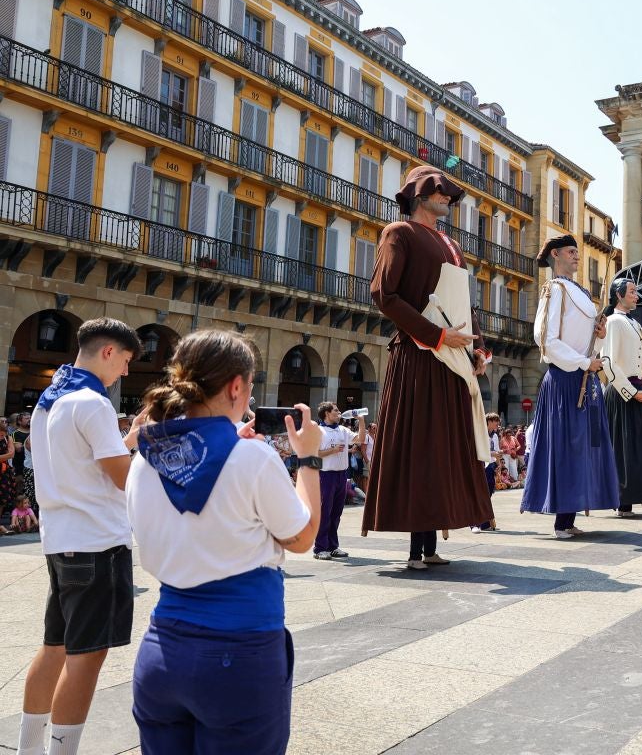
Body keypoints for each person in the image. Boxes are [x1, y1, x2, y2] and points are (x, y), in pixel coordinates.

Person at [127, 329, 322, 753]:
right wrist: (307, 458)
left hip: (162, 651)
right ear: (236, 385)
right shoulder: (252, 458)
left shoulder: (144, 458)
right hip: (239, 652)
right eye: (250, 387)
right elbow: (303, 536)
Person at [19, 318, 142, 755]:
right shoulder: (93, 403)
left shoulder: (50, 400)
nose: (125, 371)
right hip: (97, 541)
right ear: (109, 351)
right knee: (86, 657)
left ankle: (29, 748)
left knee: (55, 645)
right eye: (126, 360)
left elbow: (79, 463)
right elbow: (121, 478)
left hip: (61, 537)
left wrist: (129, 437)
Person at [363, 166, 494, 569]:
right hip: (419, 356)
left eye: (450, 194)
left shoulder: (452, 245)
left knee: (444, 451)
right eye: (441, 192)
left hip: (453, 360)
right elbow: (383, 294)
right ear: (419, 194)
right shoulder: (397, 233)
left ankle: (432, 545)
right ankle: (415, 549)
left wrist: (478, 350)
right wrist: (437, 337)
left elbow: (463, 305)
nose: (449, 199)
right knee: (421, 449)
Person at [522, 234, 620, 536]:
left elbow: (582, 337)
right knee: (566, 448)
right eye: (571, 251)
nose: (577, 256)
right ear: (555, 255)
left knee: (583, 448)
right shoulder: (553, 289)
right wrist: (581, 362)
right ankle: (561, 521)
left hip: (584, 377)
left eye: (578, 251)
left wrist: (599, 333)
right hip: (565, 379)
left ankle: (569, 517)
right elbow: (545, 340)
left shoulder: (580, 292)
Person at [600, 278, 642, 516]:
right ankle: (622, 501)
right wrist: (632, 393)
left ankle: (632, 498)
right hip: (621, 393)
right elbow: (608, 362)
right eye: (631, 292)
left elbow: (639, 364)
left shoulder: (634, 323)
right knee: (623, 450)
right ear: (618, 295)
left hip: (637, 388)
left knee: (637, 450)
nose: (636, 296)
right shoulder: (613, 322)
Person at [313, 402, 366, 560]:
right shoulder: (318, 431)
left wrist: (361, 421)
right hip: (326, 475)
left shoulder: (343, 430)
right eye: (336, 411)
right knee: (325, 511)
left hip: (341, 474)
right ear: (327, 414)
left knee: (336, 512)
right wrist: (333, 450)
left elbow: (360, 439)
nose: (339, 412)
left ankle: (333, 546)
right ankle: (320, 548)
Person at [471, 413, 502, 533]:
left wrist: (499, 464)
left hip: (490, 466)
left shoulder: (494, 435)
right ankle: (474, 523)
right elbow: (477, 450)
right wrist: (492, 454)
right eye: (495, 421)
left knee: (488, 494)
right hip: (480, 466)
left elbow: (497, 451)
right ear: (488, 421)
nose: (497, 423)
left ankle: (484, 523)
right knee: (478, 494)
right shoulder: (480, 434)